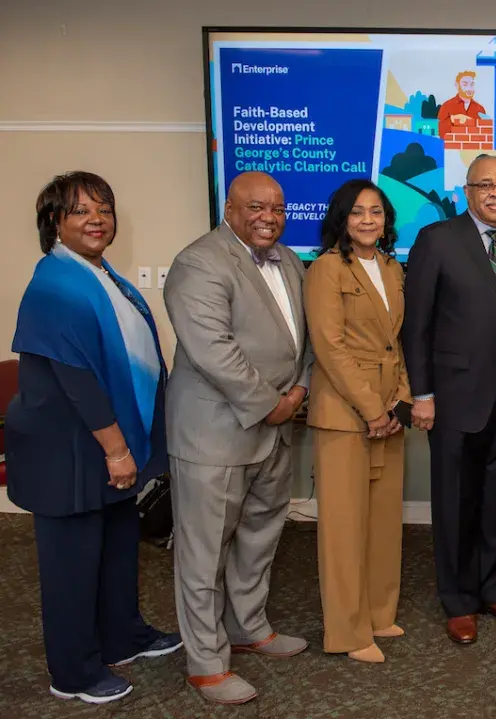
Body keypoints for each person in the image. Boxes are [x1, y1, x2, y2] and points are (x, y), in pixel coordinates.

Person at [6, 171, 181, 704]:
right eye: (80, 210)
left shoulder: (100, 275)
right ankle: (74, 673)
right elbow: (77, 378)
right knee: (71, 567)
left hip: (105, 446)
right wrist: (117, 449)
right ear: (55, 222)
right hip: (73, 451)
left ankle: (122, 634)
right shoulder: (55, 284)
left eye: (103, 208)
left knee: (116, 551)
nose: (97, 218)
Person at [164, 171, 313, 705]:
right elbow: (213, 349)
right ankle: (205, 663)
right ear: (230, 208)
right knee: (204, 554)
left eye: (277, 208)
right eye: (256, 207)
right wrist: (271, 404)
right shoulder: (199, 262)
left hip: (276, 428)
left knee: (260, 537)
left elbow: (306, 341)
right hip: (216, 434)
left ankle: (249, 627)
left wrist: (296, 392)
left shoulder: (292, 261)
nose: (269, 217)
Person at [403, 154, 496, 645]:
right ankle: (460, 600)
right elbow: (417, 323)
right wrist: (421, 394)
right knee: (456, 503)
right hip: (453, 398)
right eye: (485, 184)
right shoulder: (437, 240)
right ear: (467, 191)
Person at [303, 179, 411, 664]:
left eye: (376, 212)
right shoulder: (326, 269)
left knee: (384, 521)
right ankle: (347, 633)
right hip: (346, 414)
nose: (368, 220)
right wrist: (373, 409)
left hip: (389, 411)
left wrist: (400, 401)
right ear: (341, 219)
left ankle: (377, 614)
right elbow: (330, 347)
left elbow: (396, 341)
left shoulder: (391, 267)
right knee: (344, 529)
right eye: (357, 212)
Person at [438, 70, 487, 140]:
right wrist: (452, 119)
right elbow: (441, 133)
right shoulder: (446, 106)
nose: (469, 88)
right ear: (457, 85)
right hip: (452, 149)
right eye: (465, 84)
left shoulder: (480, 109)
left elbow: (485, 134)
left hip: (474, 149)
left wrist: (471, 122)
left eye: (472, 84)